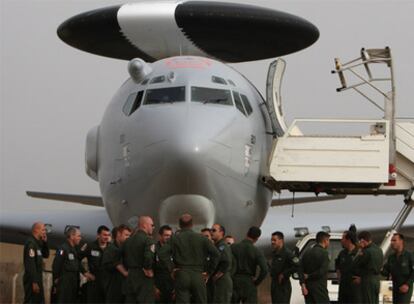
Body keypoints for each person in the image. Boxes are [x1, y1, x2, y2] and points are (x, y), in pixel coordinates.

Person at [169, 213, 220, 304]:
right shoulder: (202, 238)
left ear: (180, 225)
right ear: (192, 225)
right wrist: (209, 272)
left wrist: (172, 268)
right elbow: (216, 254)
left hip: (182, 274)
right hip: (198, 275)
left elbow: (162, 254)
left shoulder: (174, 238)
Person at [52, 227, 95, 303]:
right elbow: (56, 265)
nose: (80, 238)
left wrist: (85, 273)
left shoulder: (74, 250)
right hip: (64, 285)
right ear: (72, 236)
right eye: (78, 236)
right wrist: (56, 282)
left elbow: (77, 263)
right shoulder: (62, 249)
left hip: (73, 284)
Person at [123, 216, 156, 303]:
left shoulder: (128, 241)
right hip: (143, 276)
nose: (153, 227)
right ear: (145, 225)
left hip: (130, 276)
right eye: (152, 225)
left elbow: (124, 257)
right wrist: (147, 268)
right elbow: (148, 258)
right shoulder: (148, 240)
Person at [231, 226, 268, 304]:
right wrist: (257, 282)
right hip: (249, 282)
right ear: (257, 238)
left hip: (234, 281)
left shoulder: (233, 247)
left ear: (247, 233)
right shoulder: (257, 251)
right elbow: (264, 269)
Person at [80, 225, 111, 303]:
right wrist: (85, 273)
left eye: (108, 235)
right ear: (98, 235)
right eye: (104, 235)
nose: (106, 237)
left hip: (108, 283)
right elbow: (76, 260)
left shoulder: (112, 248)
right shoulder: (90, 246)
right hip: (94, 281)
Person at [102, 224, 131, 304]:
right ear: (118, 234)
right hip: (113, 289)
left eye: (129, 235)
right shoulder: (111, 249)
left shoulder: (124, 249)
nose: (128, 237)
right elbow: (109, 265)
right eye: (126, 235)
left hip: (124, 289)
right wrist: (124, 272)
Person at [382, 233, 414, 304]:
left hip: (405, 289)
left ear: (401, 241)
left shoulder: (409, 256)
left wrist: (407, 284)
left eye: (394, 240)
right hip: (395, 289)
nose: (392, 243)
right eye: (391, 241)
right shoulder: (391, 257)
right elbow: (385, 271)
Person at [299, 231, 330, 304]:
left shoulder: (307, 252)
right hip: (320, 288)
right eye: (328, 240)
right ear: (325, 240)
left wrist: (303, 284)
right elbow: (322, 271)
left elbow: (300, 269)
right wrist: (309, 276)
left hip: (308, 289)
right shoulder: (324, 253)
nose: (329, 243)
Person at [352, 230, 383, 304]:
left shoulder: (366, 251)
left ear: (362, 240)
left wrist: (360, 250)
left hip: (367, 280)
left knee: (367, 301)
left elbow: (355, 264)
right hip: (376, 280)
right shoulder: (379, 249)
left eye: (360, 241)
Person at [23, 222, 50, 304]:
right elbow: (30, 264)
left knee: (38, 301)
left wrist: (45, 242)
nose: (45, 232)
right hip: (32, 279)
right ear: (36, 230)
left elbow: (46, 255)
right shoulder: (31, 244)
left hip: (38, 278)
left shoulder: (38, 243)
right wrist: (34, 282)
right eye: (43, 230)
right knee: (31, 301)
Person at [269, 231, 299, 304]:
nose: (272, 242)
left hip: (283, 286)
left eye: (274, 240)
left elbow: (298, 265)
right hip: (274, 284)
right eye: (271, 240)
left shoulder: (288, 253)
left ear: (281, 240)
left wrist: (284, 274)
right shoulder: (274, 253)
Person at [335, 229, 361, 303]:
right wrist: (339, 275)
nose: (341, 240)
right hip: (343, 290)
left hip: (355, 291)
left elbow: (368, 268)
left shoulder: (359, 253)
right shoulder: (342, 254)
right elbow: (337, 265)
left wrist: (362, 278)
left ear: (348, 240)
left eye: (343, 238)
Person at [210, 223, 233, 303]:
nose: (211, 232)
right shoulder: (217, 245)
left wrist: (217, 275)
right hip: (218, 281)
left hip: (222, 281)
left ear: (221, 233)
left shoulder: (222, 246)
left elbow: (226, 262)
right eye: (211, 230)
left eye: (214, 230)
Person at [154, 225, 174, 304]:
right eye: (166, 235)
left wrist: (176, 288)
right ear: (160, 236)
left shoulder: (174, 249)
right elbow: (149, 269)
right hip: (158, 285)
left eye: (170, 235)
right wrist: (154, 288)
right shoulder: (154, 249)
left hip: (171, 286)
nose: (168, 237)